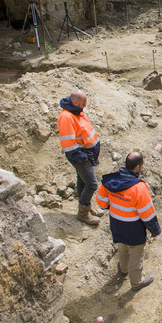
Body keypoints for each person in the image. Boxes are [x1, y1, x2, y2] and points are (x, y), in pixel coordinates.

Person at [96, 152, 161, 292]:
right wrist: (155, 231)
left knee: (122, 246)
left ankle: (123, 270)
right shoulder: (139, 188)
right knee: (136, 253)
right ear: (137, 167)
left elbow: (101, 202)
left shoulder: (110, 181)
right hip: (133, 227)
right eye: (142, 165)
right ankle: (137, 282)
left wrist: (116, 205)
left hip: (116, 223)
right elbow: (147, 214)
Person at [58, 89, 103, 226]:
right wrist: (82, 158)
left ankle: (87, 207)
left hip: (86, 154)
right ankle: (83, 214)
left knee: (82, 181)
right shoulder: (67, 117)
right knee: (92, 184)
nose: (85, 106)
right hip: (80, 156)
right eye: (83, 103)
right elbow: (68, 143)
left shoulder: (76, 111)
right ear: (75, 102)